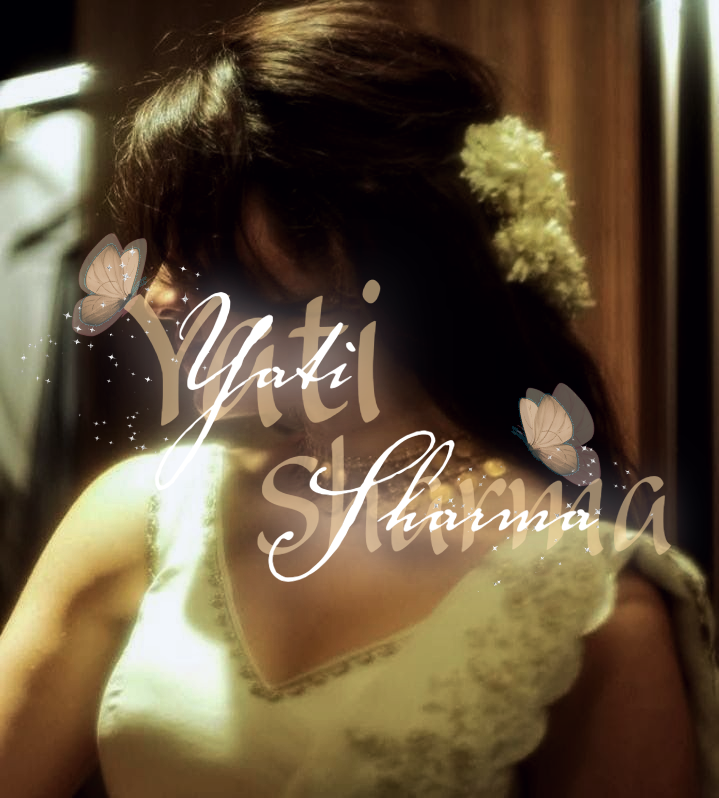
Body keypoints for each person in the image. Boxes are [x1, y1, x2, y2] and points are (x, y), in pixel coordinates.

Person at [1, 2, 718, 796]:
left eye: (198, 257)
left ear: (349, 249)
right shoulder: (139, 517)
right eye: (160, 257)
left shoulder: (595, 607)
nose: (156, 296)